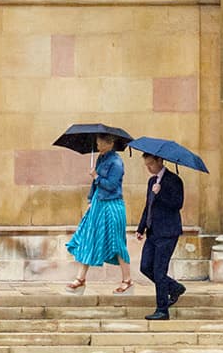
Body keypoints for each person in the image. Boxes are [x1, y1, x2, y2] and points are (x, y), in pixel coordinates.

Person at [65, 134, 134, 294]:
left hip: (112, 205)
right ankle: (80, 279)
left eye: (100, 141)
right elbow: (94, 185)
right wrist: (90, 200)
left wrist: (96, 176)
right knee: (88, 237)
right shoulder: (100, 159)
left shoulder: (116, 162)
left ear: (110, 143)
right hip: (98, 203)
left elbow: (111, 185)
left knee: (116, 242)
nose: (97, 143)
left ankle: (127, 280)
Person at [135, 151, 187, 320]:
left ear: (160, 160)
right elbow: (148, 205)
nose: (149, 168)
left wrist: (161, 193)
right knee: (145, 267)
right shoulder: (152, 181)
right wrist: (141, 227)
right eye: (147, 165)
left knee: (159, 270)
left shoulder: (174, 180)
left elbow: (177, 204)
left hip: (168, 232)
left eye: (151, 164)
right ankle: (175, 287)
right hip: (152, 232)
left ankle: (162, 309)